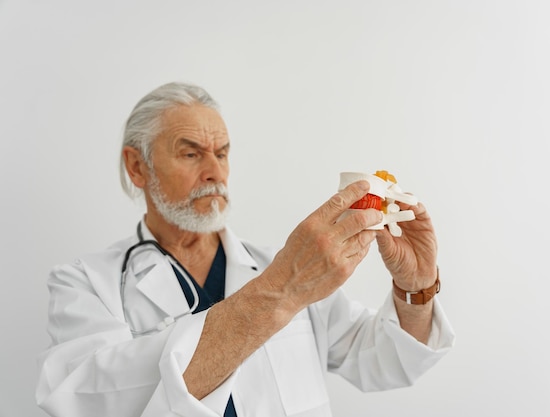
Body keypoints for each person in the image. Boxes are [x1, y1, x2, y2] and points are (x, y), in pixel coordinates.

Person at [36, 82, 455, 417]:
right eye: (191, 153)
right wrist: (281, 290)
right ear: (137, 166)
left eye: (222, 153)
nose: (215, 172)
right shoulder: (87, 284)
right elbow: (85, 401)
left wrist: (415, 287)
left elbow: (385, 361)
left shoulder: (277, 264)